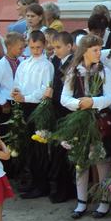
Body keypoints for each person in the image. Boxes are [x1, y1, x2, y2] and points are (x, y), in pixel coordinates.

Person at [61, 35, 111, 218]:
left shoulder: (104, 71)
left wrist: (93, 102)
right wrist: (78, 104)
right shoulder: (73, 71)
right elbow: (64, 98)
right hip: (80, 120)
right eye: (95, 50)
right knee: (81, 161)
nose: (99, 53)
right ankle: (81, 201)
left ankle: (104, 200)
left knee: (101, 160)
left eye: (100, 49)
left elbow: (109, 97)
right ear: (84, 51)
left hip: (99, 120)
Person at [11, 31, 54, 199]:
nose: (35, 51)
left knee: (39, 147)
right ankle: (34, 180)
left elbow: (45, 88)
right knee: (29, 147)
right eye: (32, 47)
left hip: (38, 107)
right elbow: (18, 82)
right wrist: (16, 93)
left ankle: (42, 184)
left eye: (38, 47)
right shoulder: (24, 63)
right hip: (24, 106)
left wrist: (26, 97)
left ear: (44, 46)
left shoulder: (46, 65)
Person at [47, 31, 75, 204]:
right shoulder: (57, 61)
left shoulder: (72, 64)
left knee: (65, 152)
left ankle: (66, 189)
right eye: (54, 47)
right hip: (57, 111)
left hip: (66, 112)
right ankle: (61, 187)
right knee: (58, 151)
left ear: (69, 46)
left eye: (58, 47)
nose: (55, 50)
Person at [0, 32, 25, 121]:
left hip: (21, 100)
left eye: (24, 48)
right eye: (20, 48)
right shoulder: (0, 65)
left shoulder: (22, 61)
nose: (22, 50)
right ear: (9, 47)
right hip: (8, 102)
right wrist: (2, 102)